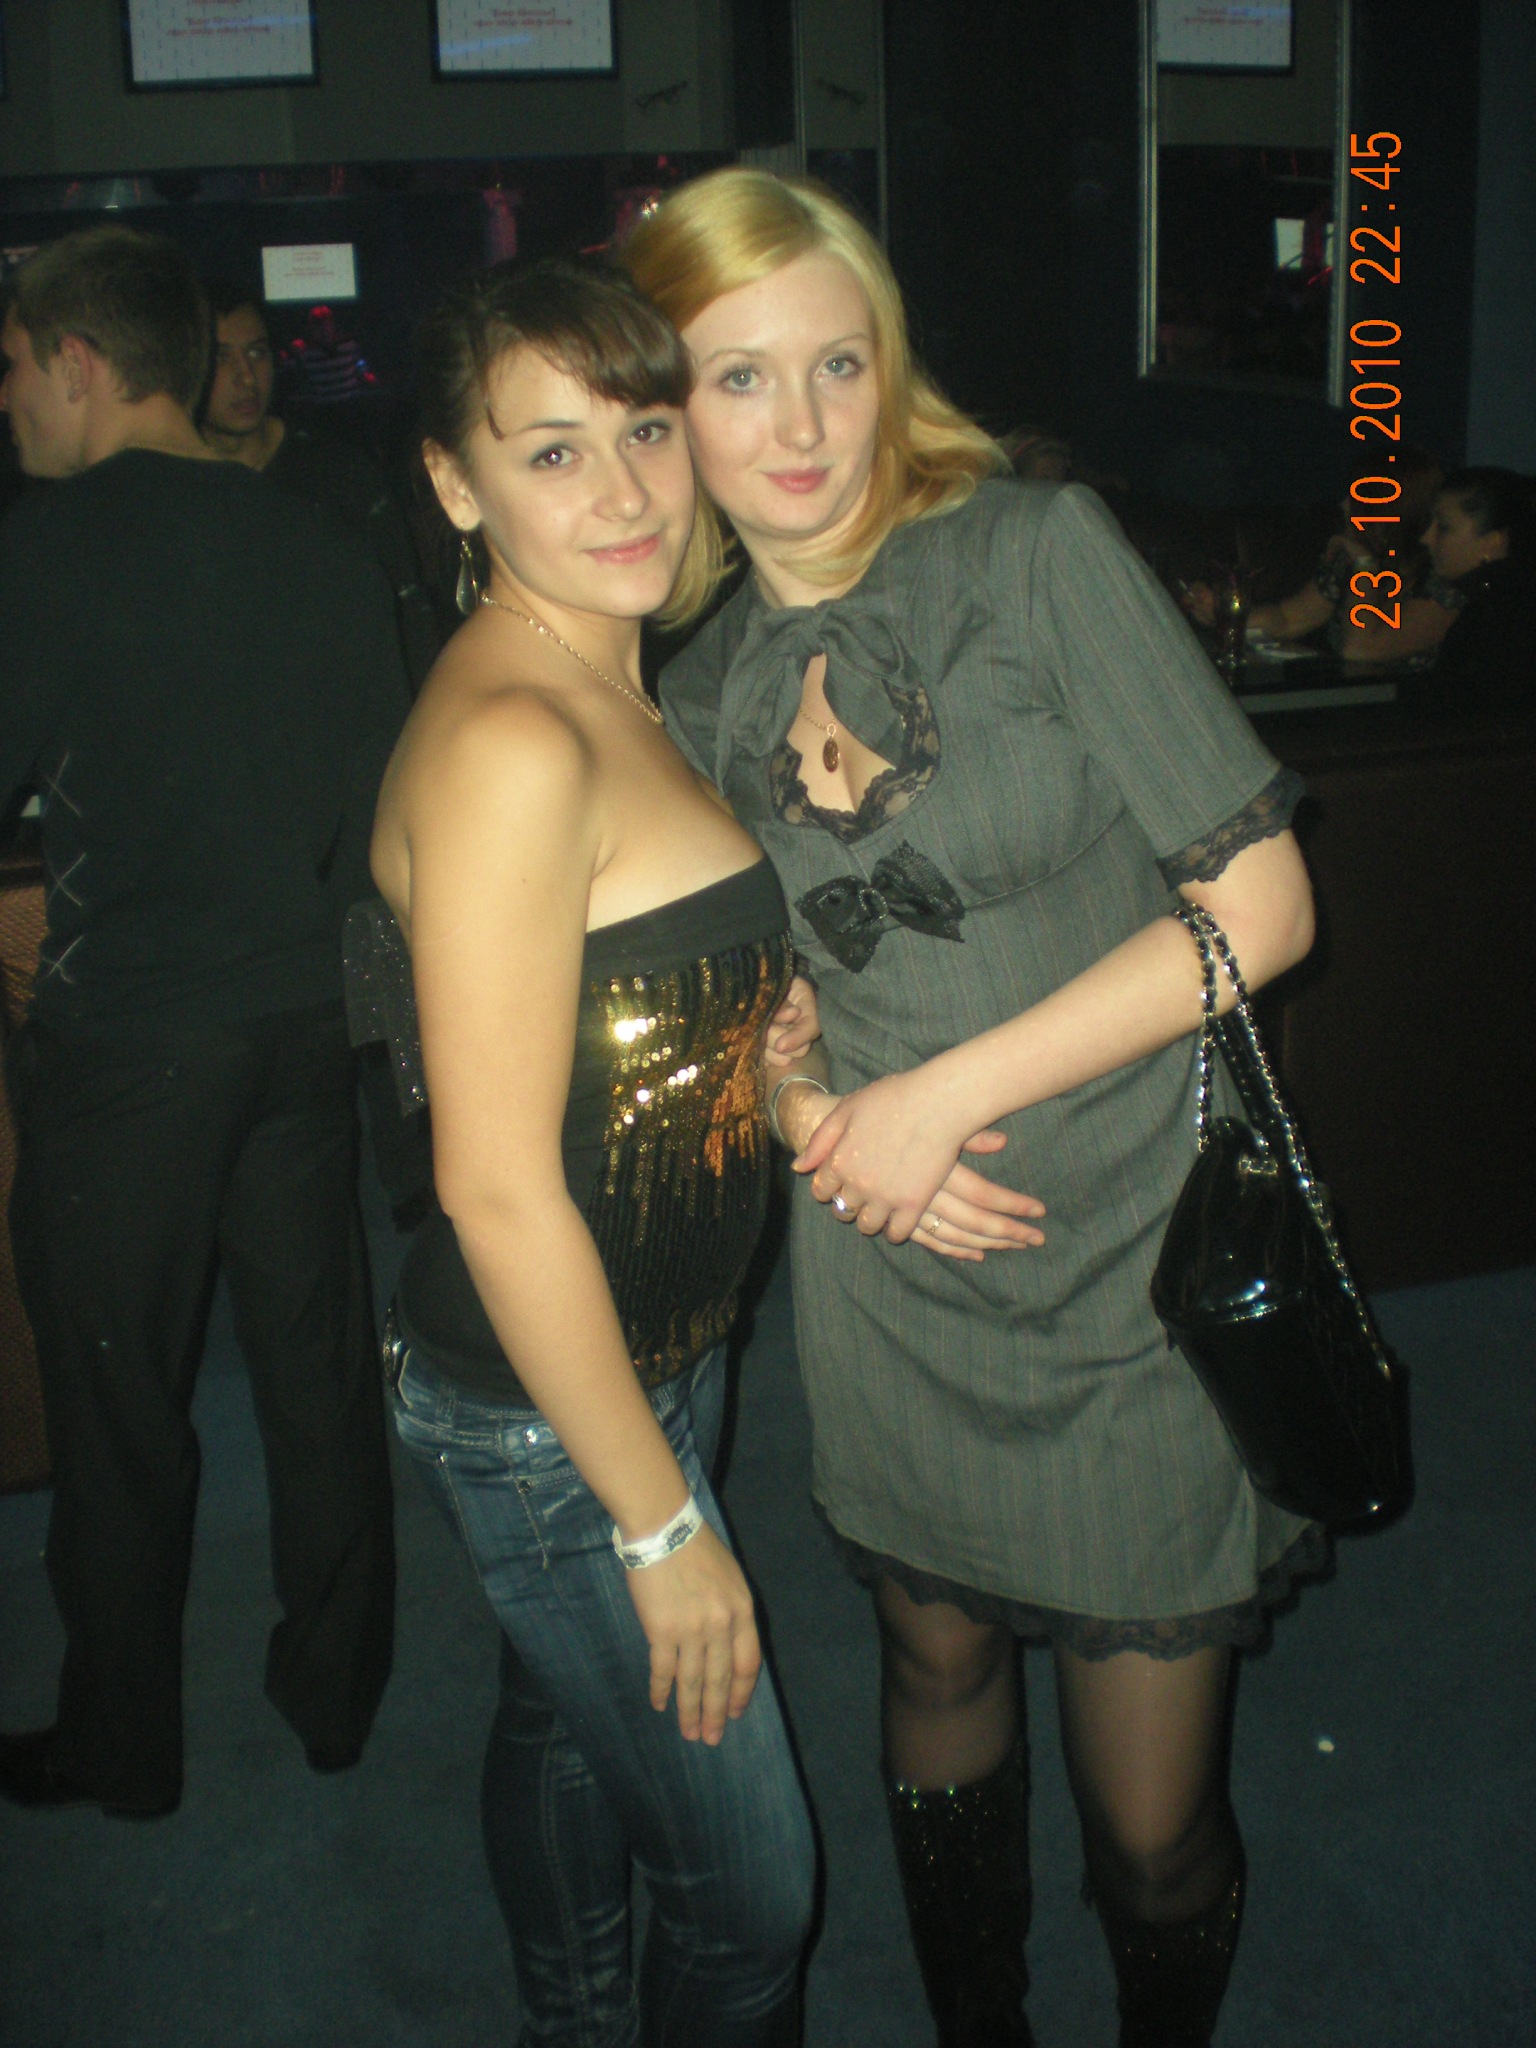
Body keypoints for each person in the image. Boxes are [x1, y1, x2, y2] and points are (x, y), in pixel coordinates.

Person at [626, 168, 1321, 2048]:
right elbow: (746, 1008)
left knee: (1152, 1829)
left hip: (1131, 1251)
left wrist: (936, 1097)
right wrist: (824, 1130)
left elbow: (1262, 909)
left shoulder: (1031, 551)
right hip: (892, 1254)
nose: (802, 424)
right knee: (932, 1664)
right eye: (739, 376)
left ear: (891, 362)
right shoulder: (692, 686)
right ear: (666, 409)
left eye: (837, 362)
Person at [365, 255, 817, 2047]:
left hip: (652, 1352)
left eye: (643, 428)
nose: (625, 489)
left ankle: (569, 2015)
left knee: (561, 1722)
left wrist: (753, 1035)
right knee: (757, 1903)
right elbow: (490, 1180)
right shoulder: (512, 735)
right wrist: (661, 1522)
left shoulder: (618, 681)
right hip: (554, 1422)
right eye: (550, 452)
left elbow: (606, 1005)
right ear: (454, 483)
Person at [0, 226, 403, 1818]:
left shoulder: (49, 546)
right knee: (315, 1376)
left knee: (119, 1410)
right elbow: (379, 815)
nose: (6, 400)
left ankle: (123, 1743)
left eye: (12, 367)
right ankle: (336, 1691)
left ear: (79, 364)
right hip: (307, 1023)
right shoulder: (318, 536)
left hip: (136, 1050)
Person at [200, 281, 442, 691]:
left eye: (256, 353)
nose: (245, 377)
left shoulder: (339, 474)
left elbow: (407, 608)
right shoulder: (176, 490)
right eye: (221, 358)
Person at [1179, 447, 1449, 666]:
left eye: (1357, 497)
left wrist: (1364, 567)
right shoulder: (1351, 561)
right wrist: (1222, 614)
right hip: (1349, 699)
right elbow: (1287, 618)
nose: (1344, 505)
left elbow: (1359, 649)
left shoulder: (1440, 583)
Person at [1404, 466, 1536, 714]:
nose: (1426, 538)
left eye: (1443, 527)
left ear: (1492, 542)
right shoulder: (1502, 598)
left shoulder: (1494, 613)